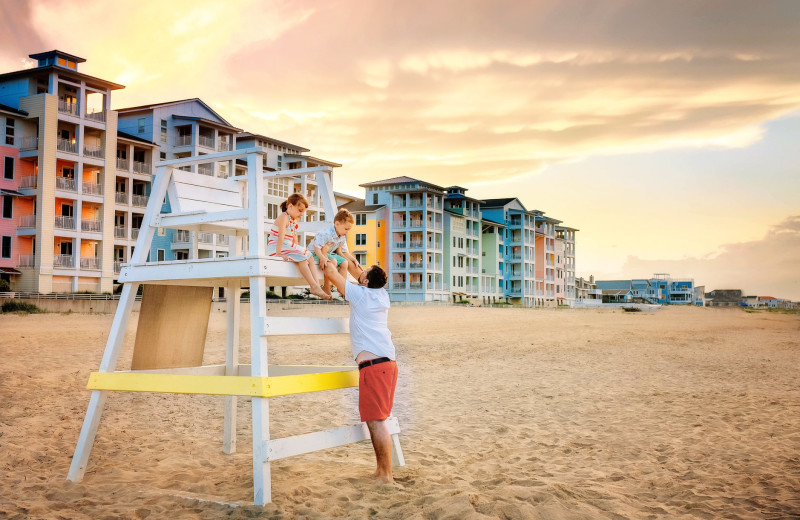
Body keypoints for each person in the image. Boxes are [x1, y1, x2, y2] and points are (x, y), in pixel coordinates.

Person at [323, 261, 397, 483]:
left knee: (376, 421)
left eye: (363, 273)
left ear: (365, 282)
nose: (359, 272)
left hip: (374, 367)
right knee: (379, 418)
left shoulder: (360, 295)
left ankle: (385, 474)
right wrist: (352, 262)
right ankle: (382, 471)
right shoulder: (381, 295)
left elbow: (331, 272)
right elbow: (361, 274)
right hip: (386, 364)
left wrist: (339, 260)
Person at [267, 193, 331, 300]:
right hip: (277, 247)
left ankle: (316, 286)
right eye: (300, 210)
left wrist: (299, 250)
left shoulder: (293, 220)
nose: (302, 214)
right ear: (290, 206)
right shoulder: (283, 217)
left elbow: (294, 239)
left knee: (309, 255)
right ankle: (314, 286)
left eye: (303, 212)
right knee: (302, 258)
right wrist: (279, 253)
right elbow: (280, 237)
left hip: (287, 247)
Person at [309, 208, 365, 297]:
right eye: (346, 229)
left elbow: (344, 252)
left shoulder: (342, 236)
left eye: (349, 230)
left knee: (345, 262)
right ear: (337, 224)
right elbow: (317, 248)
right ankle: (326, 287)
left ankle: (342, 287)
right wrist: (323, 258)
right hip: (316, 254)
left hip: (329, 254)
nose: (347, 232)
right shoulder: (325, 233)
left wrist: (354, 259)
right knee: (333, 261)